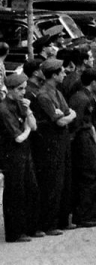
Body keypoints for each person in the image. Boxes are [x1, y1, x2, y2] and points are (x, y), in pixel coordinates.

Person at [31, 57, 74, 235]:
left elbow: (66, 112)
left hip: (60, 141)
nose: (64, 74)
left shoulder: (56, 92)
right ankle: (49, 223)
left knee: (64, 180)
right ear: (54, 75)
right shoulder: (44, 95)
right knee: (52, 183)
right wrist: (67, 116)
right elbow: (61, 120)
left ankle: (61, 220)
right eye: (62, 72)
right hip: (50, 143)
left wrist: (66, 115)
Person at [0, 72, 39, 242]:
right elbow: (19, 137)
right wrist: (27, 128)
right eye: (20, 89)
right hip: (12, 153)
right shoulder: (4, 109)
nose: (23, 92)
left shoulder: (19, 104)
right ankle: (15, 232)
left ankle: (29, 227)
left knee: (30, 189)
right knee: (16, 193)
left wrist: (29, 111)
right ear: (10, 90)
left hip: (24, 152)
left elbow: (34, 126)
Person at [66, 68, 96, 229]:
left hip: (85, 136)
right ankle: (83, 215)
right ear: (94, 82)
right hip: (82, 138)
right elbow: (78, 123)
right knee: (89, 175)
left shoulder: (84, 96)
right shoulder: (82, 99)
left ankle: (89, 211)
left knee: (90, 175)